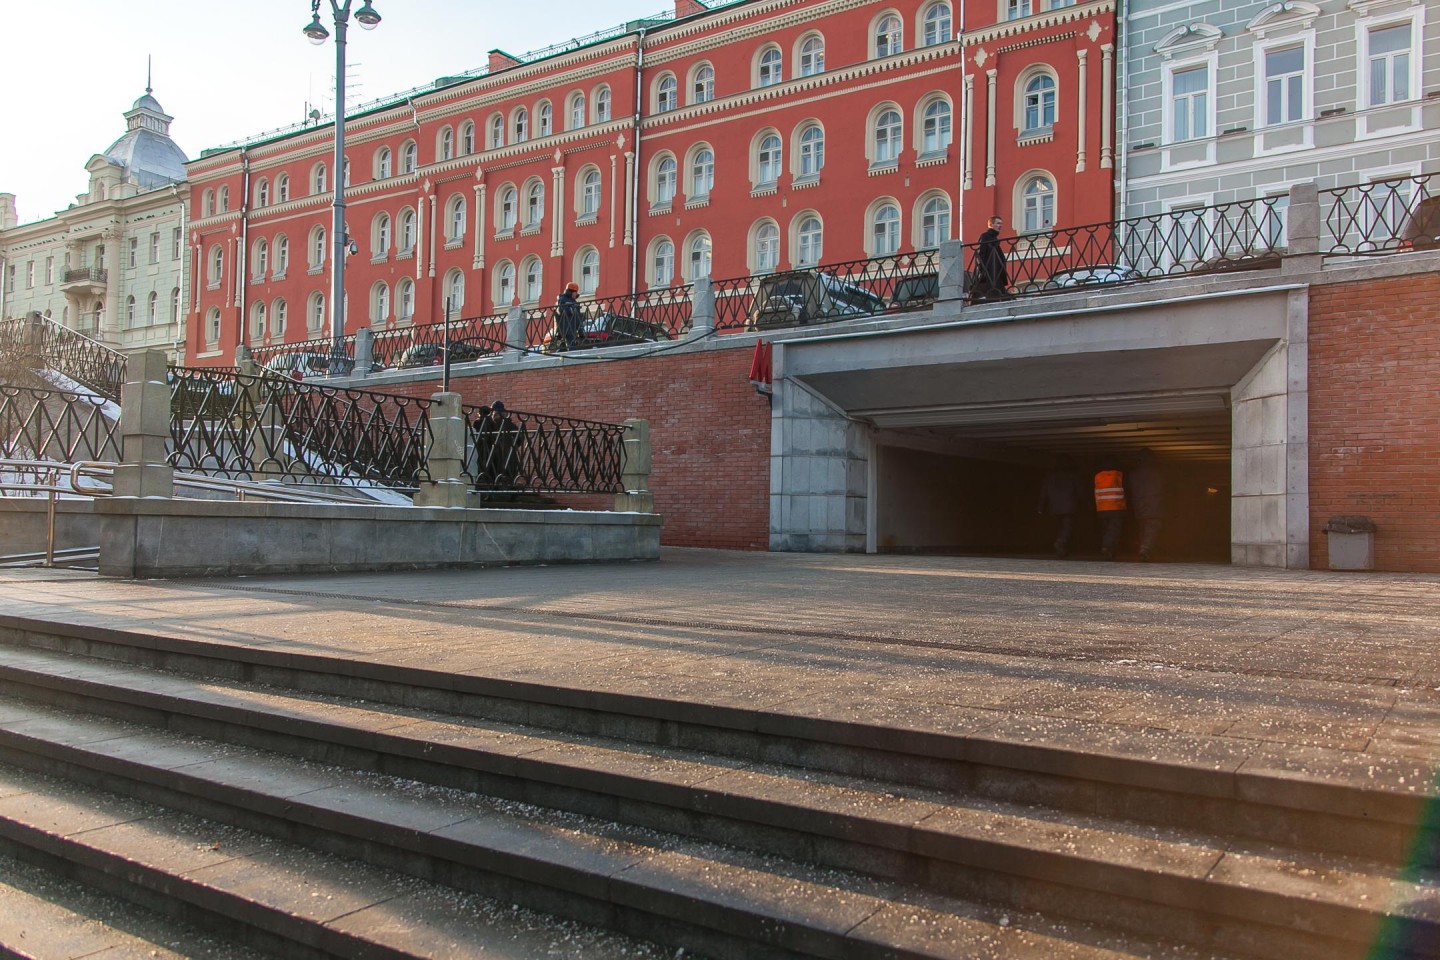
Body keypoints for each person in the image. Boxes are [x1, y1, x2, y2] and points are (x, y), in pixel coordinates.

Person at [1037, 457, 1084, 558]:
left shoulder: (1049, 477)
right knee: (1068, 527)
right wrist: (1084, 503)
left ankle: (1062, 548)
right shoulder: (1073, 476)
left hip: (1053, 506)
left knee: (1059, 527)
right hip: (1069, 506)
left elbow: (1043, 493)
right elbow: (1080, 491)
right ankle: (1061, 542)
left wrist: (1040, 507)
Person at [471, 400, 520, 489]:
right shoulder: (489, 422)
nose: (495, 414)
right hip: (493, 458)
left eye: (497, 412)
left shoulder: (505, 424)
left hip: (500, 458)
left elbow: (519, 439)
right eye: (494, 412)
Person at [1128, 449, 1164, 562]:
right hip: (1153, 505)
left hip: (1138, 506)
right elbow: (1162, 488)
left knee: (1143, 529)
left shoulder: (1133, 474)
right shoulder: (1156, 473)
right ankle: (1145, 548)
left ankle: (1144, 549)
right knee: (1152, 527)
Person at [971, 216, 1011, 302]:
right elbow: (981, 253)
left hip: (995, 272)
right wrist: (983, 270)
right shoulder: (985, 236)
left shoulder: (994, 238)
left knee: (998, 294)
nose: (1000, 226)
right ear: (991, 224)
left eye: (1001, 223)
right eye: (998, 223)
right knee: (993, 294)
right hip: (990, 272)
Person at [1093, 464, 1127, 560]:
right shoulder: (1119, 475)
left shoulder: (1098, 476)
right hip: (1117, 507)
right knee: (1114, 530)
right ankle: (1107, 547)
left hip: (1102, 508)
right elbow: (1126, 490)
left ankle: (1109, 551)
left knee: (1106, 530)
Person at [555, 281, 583, 351]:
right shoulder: (562, 299)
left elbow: (577, 317)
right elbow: (561, 310)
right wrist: (572, 309)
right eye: (575, 292)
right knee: (569, 342)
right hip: (565, 325)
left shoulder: (573, 301)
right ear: (570, 292)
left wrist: (580, 329)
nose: (576, 294)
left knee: (571, 342)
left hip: (572, 325)